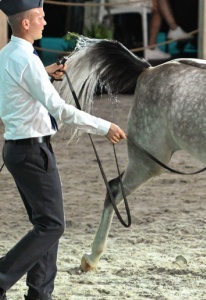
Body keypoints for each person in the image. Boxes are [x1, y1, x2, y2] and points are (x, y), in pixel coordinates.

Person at [0, 1, 126, 299]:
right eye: (40, 17)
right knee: (53, 226)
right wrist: (103, 125)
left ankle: (39, 294)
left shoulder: (9, 54)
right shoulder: (26, 60)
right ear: (26, 24)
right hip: (33, 152)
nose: (44, 21)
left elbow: (16, 82)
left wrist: (44, 74)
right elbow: (61, 110)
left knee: (45, 224)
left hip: (18, 150)